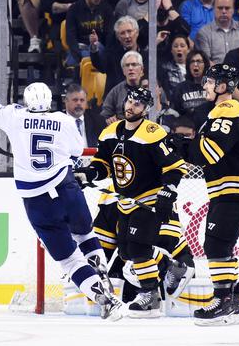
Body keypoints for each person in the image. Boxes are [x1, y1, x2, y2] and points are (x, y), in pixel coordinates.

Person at [0, 67, 124, 321]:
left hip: (37, 202)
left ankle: (104, 301)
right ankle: (103, 276)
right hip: (67, 190)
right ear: (51, 101)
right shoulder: (64, 121)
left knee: (70, 262)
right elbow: (77, 151)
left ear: (26, 102)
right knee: (85, 233)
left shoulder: (15, 116)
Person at [73, 87, 189, 317]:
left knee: (138, 248)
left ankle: (150, 296)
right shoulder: (109, 132)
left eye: (137, 104)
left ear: (146, 109)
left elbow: (175, 167)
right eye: (129, 101)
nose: (130, 106)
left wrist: (168, 191)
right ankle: (172, 267)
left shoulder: (153, 133)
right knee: (127, 252)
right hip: (124, 201)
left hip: (149, 199)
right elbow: (103, 164)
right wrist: (90, 174)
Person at [189, 64, 239, 326]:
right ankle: (231, 302)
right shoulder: (221, 111)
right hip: (232, 187)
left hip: (236, 186)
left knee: (216, 245)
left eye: (209, 82)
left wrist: (182, 145)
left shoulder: (228, 109)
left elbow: (209, 153)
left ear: (222, 86)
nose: (205, 86)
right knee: (221, 245)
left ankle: (221, 300)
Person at [194, 0, 239, 65]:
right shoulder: (203, 33)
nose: (224, 11)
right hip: (215, 74)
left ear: (233, 10)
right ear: (213, 9)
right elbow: (205, 62)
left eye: (227, 8)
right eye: (220, 8)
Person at [100, 50, 145, 124]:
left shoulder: (150, 87)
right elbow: (105, 114)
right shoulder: (116, 91)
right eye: (127, 65)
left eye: (134, 64)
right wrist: (109, 119)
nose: (130, 68)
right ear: (123, 71)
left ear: (141, 69)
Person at [63, 83, 106, 148]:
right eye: (75, 100)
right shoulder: (58, 121)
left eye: (82, 100)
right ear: (66, 101)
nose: (79, 103)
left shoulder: (98, 121)